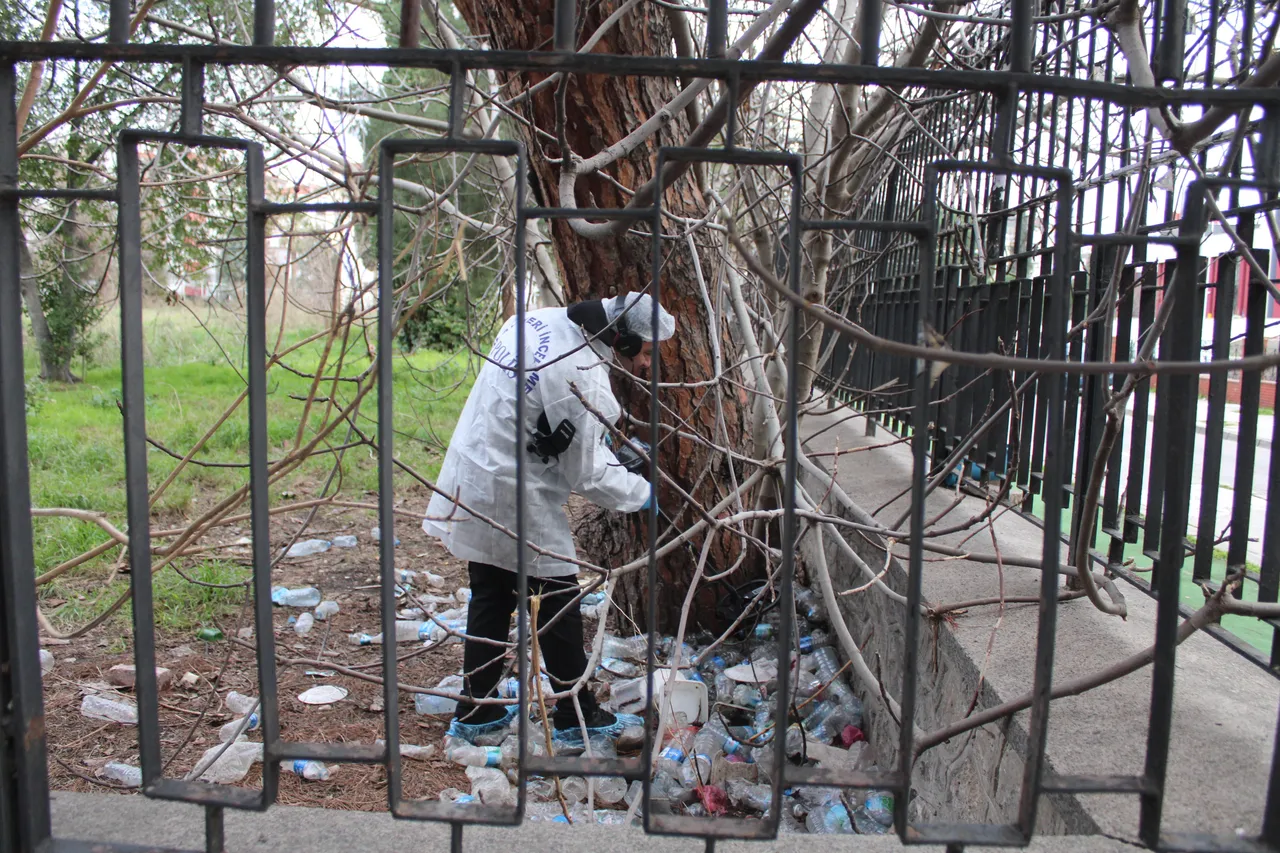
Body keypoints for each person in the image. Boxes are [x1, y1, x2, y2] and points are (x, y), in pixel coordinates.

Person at [423, 291, 676, 745]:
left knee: (492, 590)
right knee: (557, 595)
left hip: (477, 467)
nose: (647, 363)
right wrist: (642, 492)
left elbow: (553, 413)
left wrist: (606, 435)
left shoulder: (538, 321)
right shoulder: (581, 375)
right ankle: (575, 714)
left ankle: (477, 706)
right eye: (646, 351)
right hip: (514, 490)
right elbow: (588, 474)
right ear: (621, 340)